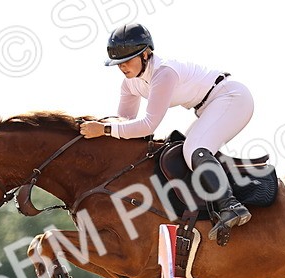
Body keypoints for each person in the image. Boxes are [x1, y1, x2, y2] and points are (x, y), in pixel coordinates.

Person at [79, 23, 253, 241]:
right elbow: (124, 123)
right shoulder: (130, 84)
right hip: (209, 106)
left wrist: (103, 129)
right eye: (118, 63)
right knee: (181, 152)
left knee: (194, 150)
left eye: (127, 60)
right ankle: (209, 210)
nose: (122, 67)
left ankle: (231, 205)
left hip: (231, 98)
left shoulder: (164, 73)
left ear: (145, 54)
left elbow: (148, 125)